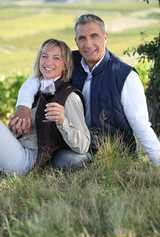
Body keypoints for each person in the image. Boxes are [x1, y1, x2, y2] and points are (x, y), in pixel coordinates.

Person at [10, 14, 160, 167]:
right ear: (76, 41)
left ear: (105, 37)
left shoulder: (125, 75)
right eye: (82, 38)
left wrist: (157, 162)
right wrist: (23, 107)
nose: (88, 44)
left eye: (94, 36)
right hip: (75, 141)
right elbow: (36, 78)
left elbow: (140, 124)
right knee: (59, 159)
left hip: (110, 149)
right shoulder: (70, 61)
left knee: (65, 162)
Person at [0, 38, 91, 175]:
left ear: (65, 65)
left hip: (29, 161)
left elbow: (83, 146)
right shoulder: (35, 88)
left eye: (56, 58)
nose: (48, 62)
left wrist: (63, 122)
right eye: (44, 56)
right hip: (16, 148)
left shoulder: (69, 96)